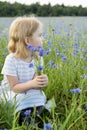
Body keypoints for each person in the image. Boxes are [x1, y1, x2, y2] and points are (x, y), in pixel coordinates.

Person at [1, 17, 50, 128]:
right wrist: (32, 84)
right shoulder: (11, 59)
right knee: (19, 98)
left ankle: (33, 113)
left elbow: (37, 85)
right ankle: (24, 117)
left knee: (40, 95)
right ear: (28, 41)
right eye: (40, 35)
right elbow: (14, 87)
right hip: (12, 93)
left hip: (28, 90)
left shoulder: (38, 59)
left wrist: (42, 82)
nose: (43, 39)